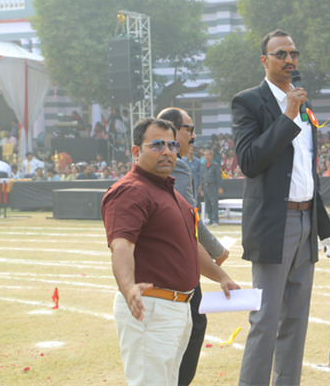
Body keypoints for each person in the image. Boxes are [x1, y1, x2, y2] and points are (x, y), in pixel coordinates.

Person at [231, 29, 330, 386]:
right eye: (280, 54)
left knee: (295, 320)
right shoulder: (248, 102)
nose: (289, 59)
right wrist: (288, 116)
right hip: (274, 224)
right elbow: (249, 162)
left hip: (306, 221)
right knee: (265, 319)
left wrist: (325, 228)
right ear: (265, 60)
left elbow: (308, 174)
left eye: (293, 53)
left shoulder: (305, 106)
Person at [101, 117, 239, 386]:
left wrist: (222, 277)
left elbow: (190, 245)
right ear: (135, 151)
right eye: (157, 145)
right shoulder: (130, 191)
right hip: (151, 308)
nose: (166, 151)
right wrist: (127, 287)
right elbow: (121, 245)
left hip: (179, 307)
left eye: (172, 145)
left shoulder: (171, 193)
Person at [156, 107, 230, 386]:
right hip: (177, 261)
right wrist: (216, 251)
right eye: (190, 129)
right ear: (173, 130)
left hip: (164, 261)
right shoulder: (177, 166)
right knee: (192, 324)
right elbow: (187, 220)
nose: (194, 136)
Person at [201, 149, 222, 226]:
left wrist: (219, 187)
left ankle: (215, 221)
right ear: (203, 156)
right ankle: (210, 220)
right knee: (208, 204)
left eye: (208, 154)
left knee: (214, 204)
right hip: (206, 187)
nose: (207, 156)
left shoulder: (215, 165)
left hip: (213, 187)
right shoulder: (204, 166)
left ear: (211, 155)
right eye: (205, 155)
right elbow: (203, 178)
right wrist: (202, 189)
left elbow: (218, 177)